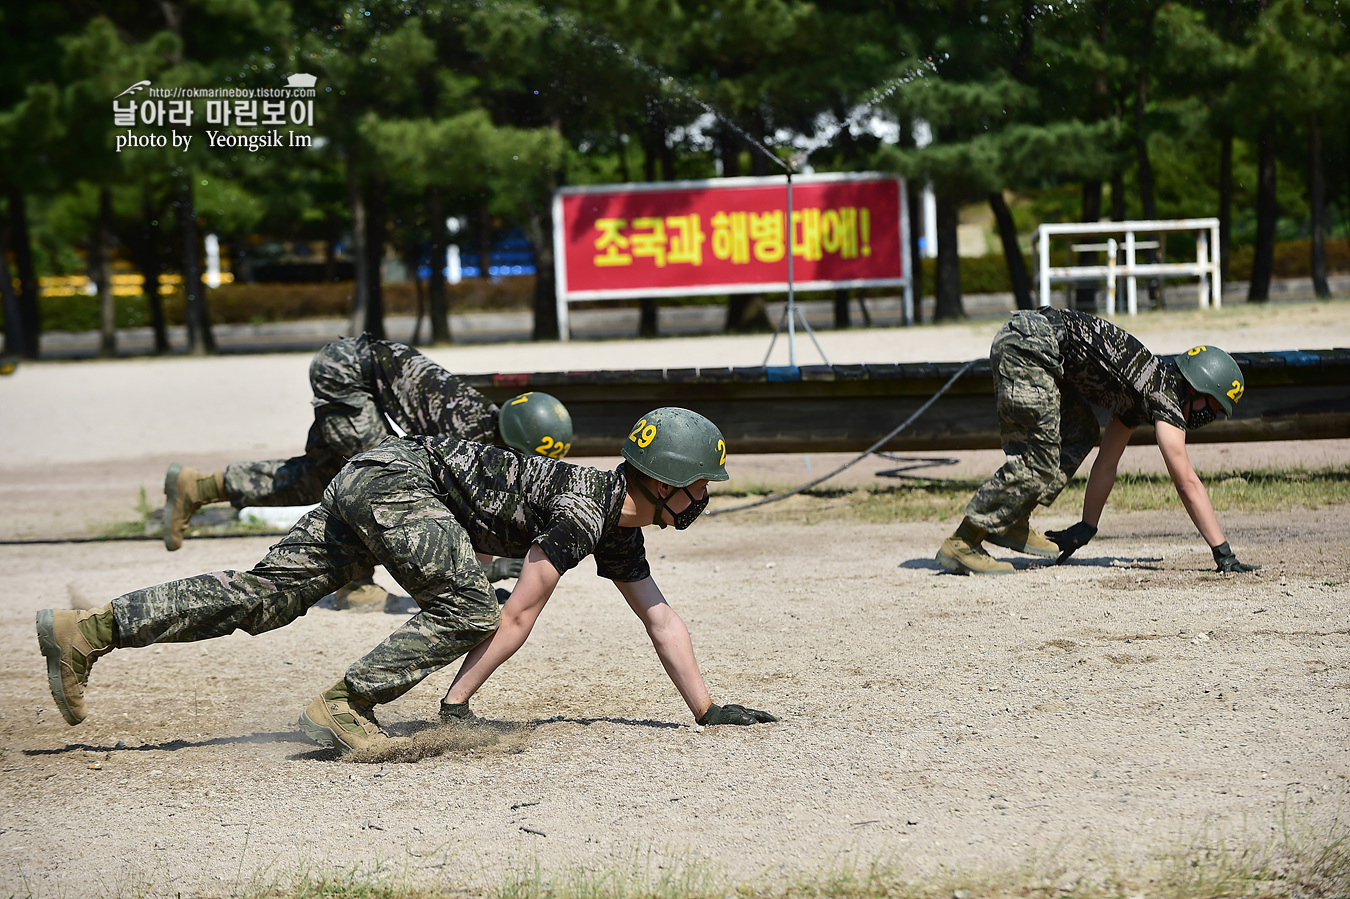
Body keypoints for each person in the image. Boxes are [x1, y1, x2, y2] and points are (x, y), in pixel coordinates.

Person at [37, 407, 776, 756]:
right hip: (399, 479)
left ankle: (89, 631)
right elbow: (515, 614)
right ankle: (344, 703)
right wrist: (457, 704)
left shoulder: (618, 523)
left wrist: (706, 709)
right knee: (468, 604)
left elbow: (659, 617)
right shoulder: (586, 510)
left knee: (266, 596)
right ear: (668, 481)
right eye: (702, 485)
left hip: (382, 478)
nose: (706, 497)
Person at [162, 333, 572, 608]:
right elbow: (451, 507)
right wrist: (478, 573)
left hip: (350, 371)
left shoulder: (489, 427)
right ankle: (355, 584)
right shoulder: (468, 436)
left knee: (319, 477)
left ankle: (198, 487)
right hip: (346, 372)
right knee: (377, 480)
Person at [935, 306, 1261, 576]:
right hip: (1029, 346)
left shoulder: (1144, 392)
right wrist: (1223, 553)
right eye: (1214, 407)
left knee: (1080, 435)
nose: (1210, 417)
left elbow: (1106, 464)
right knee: (1040, 458)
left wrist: (1088, 526)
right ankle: (963, 542)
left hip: (1036, 347)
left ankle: (1012, 521)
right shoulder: (1164, 398)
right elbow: (1187, 483)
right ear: (1196, 388)